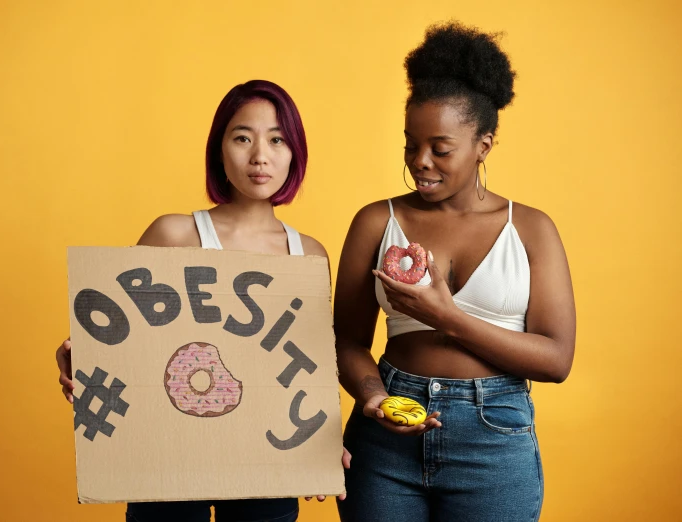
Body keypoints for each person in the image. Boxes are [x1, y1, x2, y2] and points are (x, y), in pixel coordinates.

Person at [55, 79, 347, 522]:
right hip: (170, 460)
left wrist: (318, 444)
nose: (259, 156)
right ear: (219, 148)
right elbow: (121, 339)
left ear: (295, 153)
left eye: (277, 140)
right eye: (242, 137)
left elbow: (308, 366)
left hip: (266, 467)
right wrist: (81, 357)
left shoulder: (308, 255)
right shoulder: (174, 235)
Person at [334, 22, 576, 522]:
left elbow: (556, 360)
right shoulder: (377, 222)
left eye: (440, 149)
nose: (421, 162)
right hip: (386, 441)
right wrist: (375, 396)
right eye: (410, 144)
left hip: (494, 440)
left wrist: (447, 318)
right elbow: (346, 340)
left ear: (483, 144)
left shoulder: (530, 229)